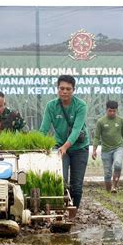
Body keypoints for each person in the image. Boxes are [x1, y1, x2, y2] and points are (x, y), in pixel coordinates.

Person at [39, 75, 89, 208]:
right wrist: (39, 144)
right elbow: (44, 129)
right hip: (60, 148)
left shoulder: (80, 105)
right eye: (62, 88)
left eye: (68, 89)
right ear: (57, 89)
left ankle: (73, 214)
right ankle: (61, 211)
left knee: (76, 186)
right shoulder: (51, 106)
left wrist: (66, 146)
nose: (65, 91)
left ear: (73, 90)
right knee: (62, 181)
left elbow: (77, 130)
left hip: (79, 148)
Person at [92, 100, 123, 192]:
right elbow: (97, 137)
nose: (112, 113)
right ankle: (108, 190)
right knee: (107, 173)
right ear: (106, 110)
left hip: (118, 148)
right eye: (110, 111)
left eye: (114, 111)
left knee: (118, 165)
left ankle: (114, 186)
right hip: (106, 149)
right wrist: (94, 150)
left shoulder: (121, 121)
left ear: (116, 110)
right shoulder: (101, 122)